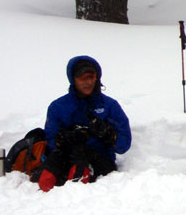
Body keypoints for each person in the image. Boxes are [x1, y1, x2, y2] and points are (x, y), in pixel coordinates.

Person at [35, 55, 132, 192]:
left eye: (91, 77)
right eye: (82, 78)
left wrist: (106, 133)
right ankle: (45, 190)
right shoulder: (58, 107)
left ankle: (76, 185)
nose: (88, 82)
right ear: (73, 79)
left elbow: (123, 145)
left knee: (81, 153)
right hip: (67, 159)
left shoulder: (109, 106)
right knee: (54, 162)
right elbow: (51, 141)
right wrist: (66, 138)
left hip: (100, 162)